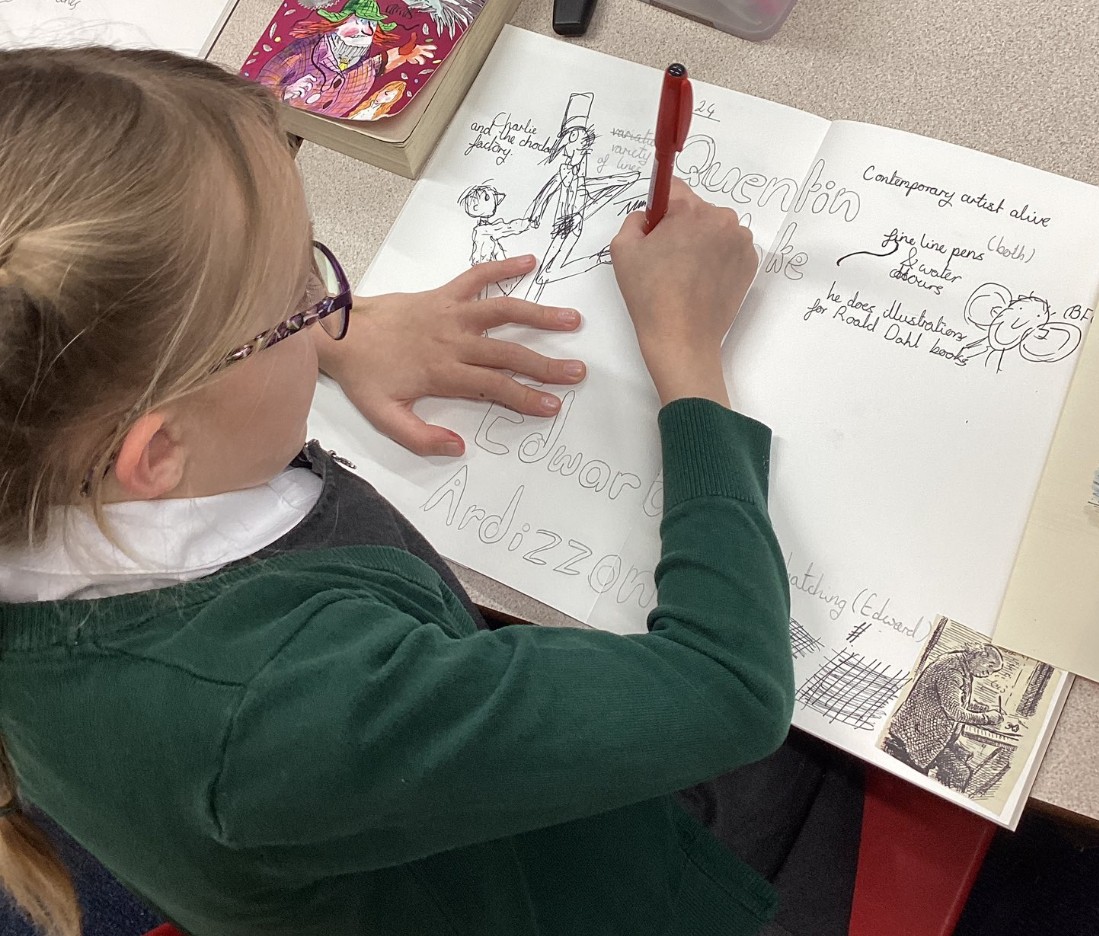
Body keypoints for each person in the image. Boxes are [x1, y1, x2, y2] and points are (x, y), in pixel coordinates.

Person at [0, 47, 854, 936]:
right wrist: (685, 353)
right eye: (300, 296)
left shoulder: (47, 460)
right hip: (588, 894)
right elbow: (728, 690)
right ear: (158, 449)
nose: (333, 306)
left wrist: (329, 340)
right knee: (825, 775)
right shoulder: (277, 712)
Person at [883, 644, 1005, 791]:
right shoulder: (952, 671)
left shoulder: (961, 665)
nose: (989, 673)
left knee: (964, 758)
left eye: (993, 671)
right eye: (990, 666)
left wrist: (983, 709)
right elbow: (955, 712)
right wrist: (987, 718)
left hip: (926, 735)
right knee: (960, 774)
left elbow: (957, 700)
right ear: (979, 655)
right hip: (913, 740)